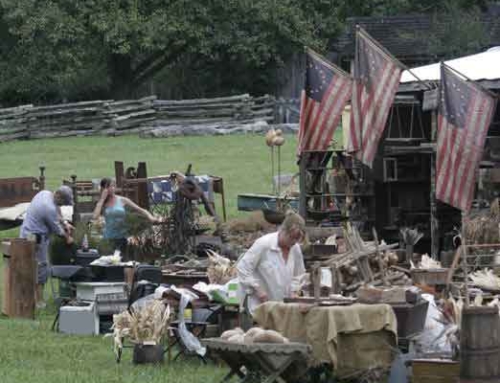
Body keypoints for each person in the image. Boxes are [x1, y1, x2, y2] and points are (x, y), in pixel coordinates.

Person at [237, 211, 306, 314]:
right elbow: (243, 268)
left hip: (284, 308)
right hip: (261, 307)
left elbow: (298, 274)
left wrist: (294, 291)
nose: (293, 242)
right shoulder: (264, 244)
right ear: (283, 231)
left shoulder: (295, 249)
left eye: (296, 239)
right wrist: (258, 289)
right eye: (291, 238)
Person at [20, 185, 75, 308]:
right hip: (35, 239)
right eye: (63, 203)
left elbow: (57, 211)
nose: (62, 206)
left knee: (32, 267)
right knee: (41, 268)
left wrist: (65, 222)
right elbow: (57, 230)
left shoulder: (45, 193)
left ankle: (31, 297)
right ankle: (38, 301)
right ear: (59, 196)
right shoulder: (48, 207)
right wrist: (69, 238)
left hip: (26, 233)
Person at [93, 178, 160, 254]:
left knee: (122, 262)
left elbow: (141, 209)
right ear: (103, 189)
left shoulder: (122, 200)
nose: (112, 189)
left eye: (113, 186)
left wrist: (151, 217)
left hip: (122, 238)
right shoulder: (102, 203)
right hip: (108, 239)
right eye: (109, 187)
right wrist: (102, 199)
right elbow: (95, 216)